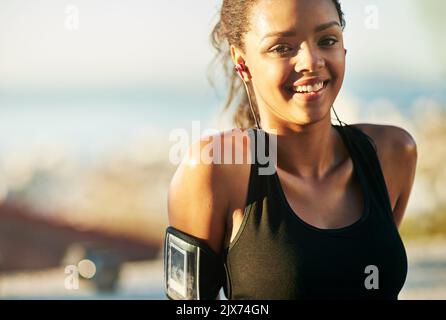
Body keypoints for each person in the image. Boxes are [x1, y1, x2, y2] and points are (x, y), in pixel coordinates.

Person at [164, 0, 417, 300]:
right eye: (282, 48)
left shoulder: (392, 153)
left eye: (327, 40)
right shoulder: (213, 170)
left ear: (344, 48)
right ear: (242, 63)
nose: (311, 61)